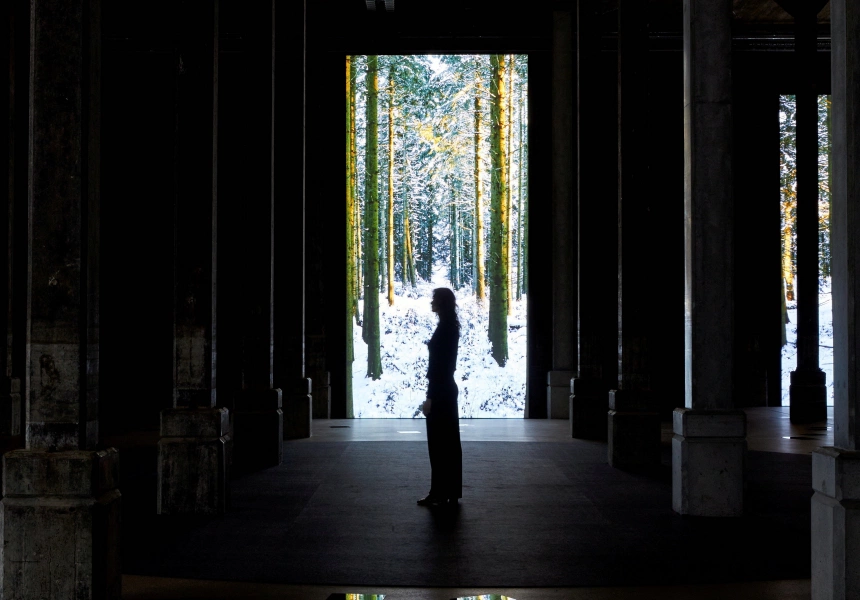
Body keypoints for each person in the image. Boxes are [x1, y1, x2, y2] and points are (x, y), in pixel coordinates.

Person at [418, 287, 463, 507]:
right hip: (446, 388)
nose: (430, 302)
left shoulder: (445, 329)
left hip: (441, 389)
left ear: (441, 303)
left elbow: (440, 366)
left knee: (438, 445)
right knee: (449, 443)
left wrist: (430, 397)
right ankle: (449, 492)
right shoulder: (449, 327)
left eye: (434, 299)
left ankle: (439, 492)